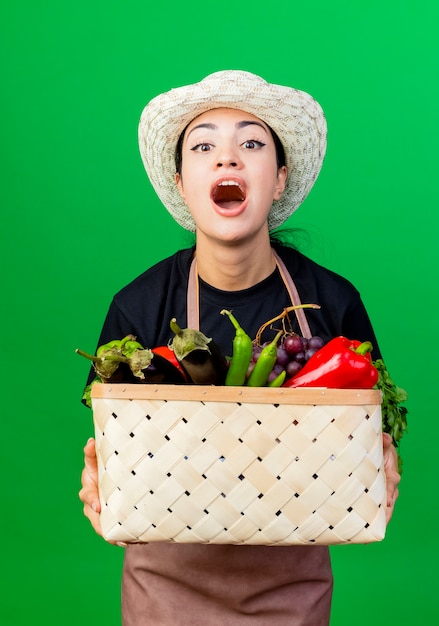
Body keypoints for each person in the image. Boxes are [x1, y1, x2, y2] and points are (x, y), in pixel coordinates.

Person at [79, 70, 400, 625]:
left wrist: (383, 464)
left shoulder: (332, 301)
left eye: (251, 143)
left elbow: (373, 434)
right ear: (182, 183)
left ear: (278, 178)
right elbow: (113, 447)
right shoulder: (138, 305)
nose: (227, 159)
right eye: (204, 146)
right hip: (165, 586)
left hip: (290, 589)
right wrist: (97, 476)